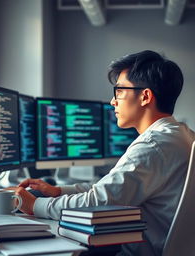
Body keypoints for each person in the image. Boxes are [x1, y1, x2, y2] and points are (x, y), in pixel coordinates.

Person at [15, 50, 195, 255]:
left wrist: (36, 205)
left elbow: (101, 202)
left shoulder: (153, 144)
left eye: (119, 91)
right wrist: (59, 192)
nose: (113, 102)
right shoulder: (181, 134)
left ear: (145, 96)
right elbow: (111, 189)